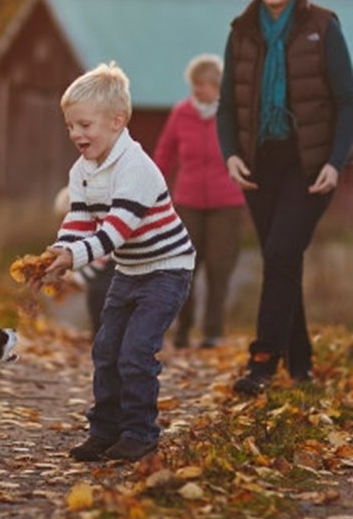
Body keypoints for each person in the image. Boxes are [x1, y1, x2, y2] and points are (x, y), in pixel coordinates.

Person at [36, 63, 195, 462]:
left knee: (136, 351)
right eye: (71, 126)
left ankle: (140, 432)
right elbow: (79, 220)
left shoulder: (136, 168)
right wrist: (59, 252)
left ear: (117, 121)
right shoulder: (83, 171)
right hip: (129, 270)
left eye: (85, 125)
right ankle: (104, 430)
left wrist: (75, 256)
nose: (76, 134)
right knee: (106, 349)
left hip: (166, 269)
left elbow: (114, 231)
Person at [217, 0, 353, 395]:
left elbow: (347, 101)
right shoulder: (242, 30)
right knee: (284, 259)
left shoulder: (323, 25)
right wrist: (231, 153)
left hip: (310, 163)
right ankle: (302, 364)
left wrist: (336, 162)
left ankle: (261, 362)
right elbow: (225, 107)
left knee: (278, 254)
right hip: (258, 165)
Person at [153, 54, 246, 349]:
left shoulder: (233, 114)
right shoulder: (181, 113)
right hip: (187, 202)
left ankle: (212, 333)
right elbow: (165, 153)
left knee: (220, 268)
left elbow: (250, 154)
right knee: (184, 267)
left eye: (204, 85)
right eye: (195, 84)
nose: (198, 90)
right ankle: (182, 330)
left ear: (218, 86)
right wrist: (152, 189)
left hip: (227, 203)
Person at [53, 185, 114, 336]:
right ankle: (98, 333)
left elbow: (102, 257)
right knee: (95, 293)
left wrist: (79, 279)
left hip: (115, 262)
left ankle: (103, 335)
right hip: (106, 265)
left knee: (100, 293)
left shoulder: (101, 225)